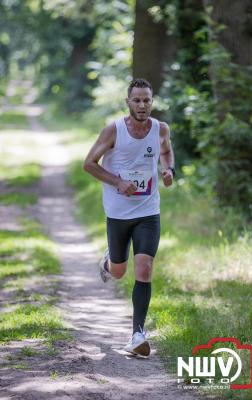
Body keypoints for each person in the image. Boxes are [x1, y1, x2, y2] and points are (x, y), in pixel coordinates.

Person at [83, 78, 175, 357]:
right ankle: (109, 260)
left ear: (152, 101)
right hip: (119, 212)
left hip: (148, 210)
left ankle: (137, 334)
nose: (142, 105)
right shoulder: (114, 130)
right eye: (137, 100)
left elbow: (166, 151)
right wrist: (117, 182)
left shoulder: (160, 128)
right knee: (120, 271)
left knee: (145, 268)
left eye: (147, 99)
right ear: (128, 102)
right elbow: (88, 164)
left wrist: (168, 169)